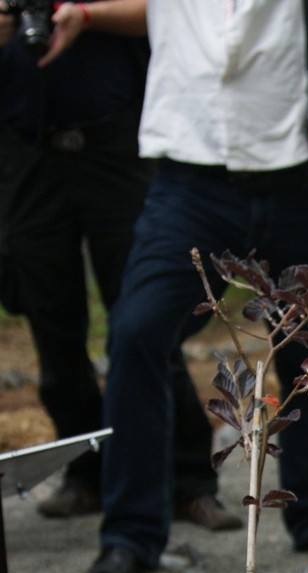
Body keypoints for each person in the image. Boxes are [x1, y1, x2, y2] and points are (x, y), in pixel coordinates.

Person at [79, 0, 308, 573]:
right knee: (134, 335)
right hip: (190, 177)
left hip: (306, 165)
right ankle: (130, 532)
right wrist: (79, 15)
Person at [0, 0, 240, 531]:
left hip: (118, 140)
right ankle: (85, 474)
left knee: (143, 314)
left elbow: (166, 10)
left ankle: (189, 482)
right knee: (51, 319)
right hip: (23, 147)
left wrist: (83, 15)